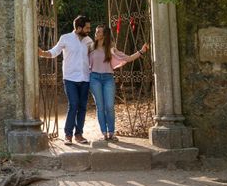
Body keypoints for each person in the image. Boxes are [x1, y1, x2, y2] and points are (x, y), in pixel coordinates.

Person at [89, 24, 149, 141]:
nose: (96, 33)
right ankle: (104, 132)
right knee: (100, 107)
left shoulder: (111, 49)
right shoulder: (90, 47)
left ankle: (111, 131)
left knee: (110, 106)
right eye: (96, 31)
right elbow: (83, 63)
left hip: (108, 79)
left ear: (104, 35)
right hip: (94, 78)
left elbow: (127, 58)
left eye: (99, 32)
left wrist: (141, 51)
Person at [38, 15, 92, 145]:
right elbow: (54, 52)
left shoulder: (88, 41)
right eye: (87, 28)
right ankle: (68, 135)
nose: (89, 30)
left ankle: (79, 134)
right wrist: (42, 53)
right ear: (79, 28)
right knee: (73, 105)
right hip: (70, 79)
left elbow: (96, 55)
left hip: (85, 78)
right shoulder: (65, 38)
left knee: (82, 107)